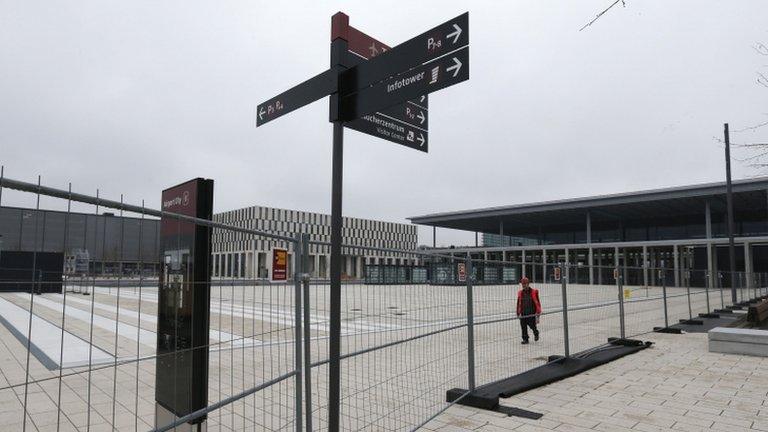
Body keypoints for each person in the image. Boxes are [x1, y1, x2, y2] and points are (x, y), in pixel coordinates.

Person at [516, 276, 542, 344]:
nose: (523, 285)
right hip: (523, 312)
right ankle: (525, 339)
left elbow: (537, 302)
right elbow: (518, 303)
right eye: (522, 284)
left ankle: (536, 332)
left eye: (525, 284)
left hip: (531, 312)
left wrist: (538, 313)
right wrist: (518, 313)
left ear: (528, 284)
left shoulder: (534, 292)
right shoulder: (520, 293)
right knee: (523, 326)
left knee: (532, 325)